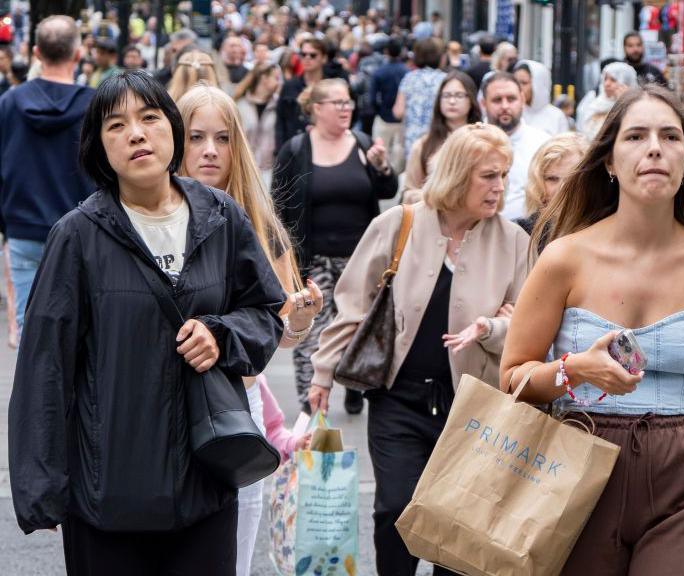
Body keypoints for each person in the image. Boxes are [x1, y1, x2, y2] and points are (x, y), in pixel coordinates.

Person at [499, 84, 684, 576]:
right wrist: (575, 370)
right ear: (609, 161)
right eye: (636, 136)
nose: (655, 147)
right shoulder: (564, 257)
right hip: (575, 471)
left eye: (671, 136)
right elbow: (512, 379)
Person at [9, 70, 285, 573]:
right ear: (100, 149)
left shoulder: (220, 216)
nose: (136, 133)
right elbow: (43, 366)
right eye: (116, 125)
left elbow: (265, 311)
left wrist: (221, 334)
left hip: (204, 487)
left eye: (150, 118)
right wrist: (41, 486)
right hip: (107, 497)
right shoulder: (76, 237)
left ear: (172, 130)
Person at [308, 122, 530, 576]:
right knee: (395, 511)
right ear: (456, 174)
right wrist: (322, 373)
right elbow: (353, 305)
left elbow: (527, 329)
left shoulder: (513, 242)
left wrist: (491, 327)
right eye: (488, 175)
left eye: (504, 175)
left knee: (458, 528)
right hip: (399, 399)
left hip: (473, 407)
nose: (500, 187)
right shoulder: (398, 224)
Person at [176, 83, 324, 576]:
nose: (210, 150)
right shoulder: (150, 217)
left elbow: (279, 332)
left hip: (238, 407)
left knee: (232, 552)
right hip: (166, 407)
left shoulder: (260, 224)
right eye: (196, 137)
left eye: (222, 138)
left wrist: (299, 319)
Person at [272, 78, 399, 415]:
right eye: (338, 103)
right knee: (311, 333)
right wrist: (282, 258)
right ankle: (310, 406)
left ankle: (352, 384)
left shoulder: (362, 142)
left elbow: (387, 190)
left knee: (357, 329)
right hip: (312, 262)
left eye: (348, 103)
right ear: (316, 109)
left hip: (361, 261)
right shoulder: (296, 149)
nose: (346, 109)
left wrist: (381, 165)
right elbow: (278, 205)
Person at [0, 15, 94, 337]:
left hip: (24, 228)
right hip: (83, 230)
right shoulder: (95, 105)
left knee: (31, 331)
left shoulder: (9, 103)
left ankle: (34, 388)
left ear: (36, 53)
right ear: (78, 54)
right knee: (81, 329)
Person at [480, 71, 551, 220]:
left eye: (511, 99)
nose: (505, 106)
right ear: (483, 103)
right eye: (497, 100)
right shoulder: (469, 143)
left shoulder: (543, 144)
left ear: (523, 99)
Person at [402, 70, 481, 202]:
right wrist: (437, 196)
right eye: (446, 95)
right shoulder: (423, 145)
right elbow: (409, 192)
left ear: (471, 99)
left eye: (459, 95)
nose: (452, 101)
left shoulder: (483, 140)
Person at [513, 132, 586, 240]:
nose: (562, 189)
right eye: (552, 179)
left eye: (572, 179)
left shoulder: (605, 231)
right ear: (537, 184)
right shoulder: (520, 234)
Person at [275, 37, 339, 153]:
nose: (307, 58)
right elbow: (280, 120)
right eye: (303, 54)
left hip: (326, 148)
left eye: (313, 55)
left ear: (324, 58)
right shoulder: (290, 86)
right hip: (294, 149)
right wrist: (281, 151)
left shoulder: (333, 87)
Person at [393, 38, 445, 163]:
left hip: (412, 141)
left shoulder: (409, 78)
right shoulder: (445, 80)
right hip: (439, 139)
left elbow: (398, 112)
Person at [235, 63, 282, 186]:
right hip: (243, 169)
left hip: (269, 169)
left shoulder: (279, 106)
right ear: (264, 79)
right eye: (276, 78)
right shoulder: (240, 105)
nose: (279, 82)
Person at [370, 36, 407, 173]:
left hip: (384, 118)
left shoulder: (379, 72)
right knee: (399, 155)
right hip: (401, 119)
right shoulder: (407, 72)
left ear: (386, 51)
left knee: (380, 154)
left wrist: (379, 111)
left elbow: (372, 99)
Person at [580, 62, 638, 142]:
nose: (607, 84)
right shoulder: (595, 101)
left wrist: (623, 103)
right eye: (605, 79)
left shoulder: (635, 106)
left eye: (613, 80)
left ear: (626, 84)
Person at [514, 60, 569, 136]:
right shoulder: (513, 112)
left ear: (538, 85)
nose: (518, 87)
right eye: (516, 82)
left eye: (524, 83)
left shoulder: (557, 116)